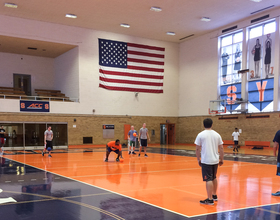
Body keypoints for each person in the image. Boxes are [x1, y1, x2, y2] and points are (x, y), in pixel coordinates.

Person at [195, 118, 224, 205]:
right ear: (212, 124)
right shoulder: (217, 135)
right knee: (214, 177)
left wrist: (198, 159)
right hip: (215, 160)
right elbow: (221, 148)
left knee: (208, 179)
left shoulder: (200, 135)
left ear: (203, 125)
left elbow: (197, 148)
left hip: (206, 160)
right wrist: (221, 159)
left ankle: (210, 199)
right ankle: (214, 195)